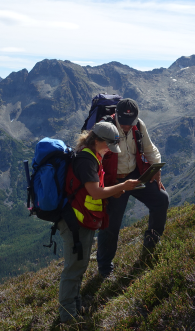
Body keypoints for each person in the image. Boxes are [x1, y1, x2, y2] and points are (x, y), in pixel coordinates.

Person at [58, 122, 141, 325]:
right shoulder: (86, 160)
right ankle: (68, 317)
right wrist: (123, 185)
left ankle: (74, 305)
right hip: (75, 220)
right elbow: (94, 192)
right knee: (73, 267)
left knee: (81, 263)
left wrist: (115, 190)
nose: (109, 151)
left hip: (82, 217)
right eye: (108, 146)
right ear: (97, 140)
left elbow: (93, 190)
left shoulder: (92, 155)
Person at [97, 98, 170, 277]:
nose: (127, 126)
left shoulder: (138, 126)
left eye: (131, 123)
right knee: (110, 225)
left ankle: (152, 240)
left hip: (134, 175)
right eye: (124, 123)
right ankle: (105, 268)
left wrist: (156, 170)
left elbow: (149, 149)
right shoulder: (105, 128)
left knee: (161, 199)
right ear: (116, 116)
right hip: (113, 181)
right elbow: (93, 157)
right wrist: (105, 189)